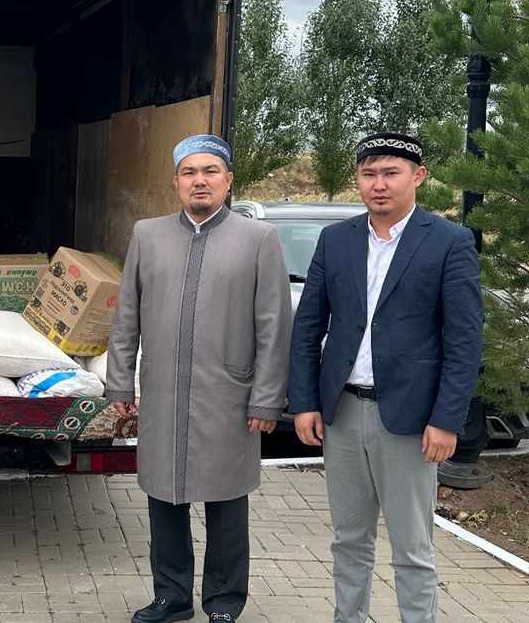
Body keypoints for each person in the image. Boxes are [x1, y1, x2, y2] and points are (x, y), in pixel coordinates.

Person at [288, 133, 483, 623]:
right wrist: (305, 401)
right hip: (342, 413)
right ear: (358, 179)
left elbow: (464, 341)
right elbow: (308, 326)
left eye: (391, 173)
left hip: (411, 421)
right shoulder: (336, 240)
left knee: (412, 548)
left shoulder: (449, 242)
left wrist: (447, 419)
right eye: (369, 173)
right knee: (348, 540)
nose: (379, 184)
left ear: (417, 177)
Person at [107, 134, 292, 623]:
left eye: (210, 171)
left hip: (229, 394)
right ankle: (172, 597)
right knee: (164, 494)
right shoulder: (148, 235)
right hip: (163, 392)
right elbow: (127, 318)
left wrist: (266, 399)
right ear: (176, 182)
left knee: (227, 500)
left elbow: (274, 325)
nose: (200, 181)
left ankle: (224, 602)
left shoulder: (258, 239)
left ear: (228, 180)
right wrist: (120, 383)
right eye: (189, 172)